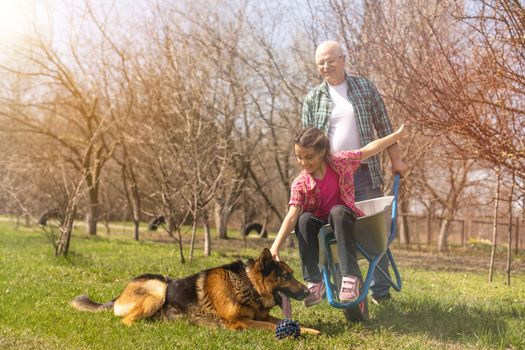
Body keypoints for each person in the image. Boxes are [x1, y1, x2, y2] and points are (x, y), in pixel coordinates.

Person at [301, 40, 407, 304]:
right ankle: (342, 287)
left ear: (343, 59)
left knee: (371, 233)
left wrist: (396, 160)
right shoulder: (313, 98)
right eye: (320, 63)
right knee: (336, 228)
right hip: (329, 178)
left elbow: (383, 125)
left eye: (330, 60)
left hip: (362, 172)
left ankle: (379, 292)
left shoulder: (364, 88)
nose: (326, 66)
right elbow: (306, 143)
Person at [270, 125, 403, 306]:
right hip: (320, 230)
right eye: (299, 157)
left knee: (337, 211)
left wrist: (395, 136)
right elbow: (292, 216)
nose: (303, 162)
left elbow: (369, 149)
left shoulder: (341, 162)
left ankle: (350, 276)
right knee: (303, 219)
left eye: (309, 157)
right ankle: (315, 282)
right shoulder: (300, 183)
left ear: (322, 152)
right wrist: (275, 247)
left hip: (345, 222)